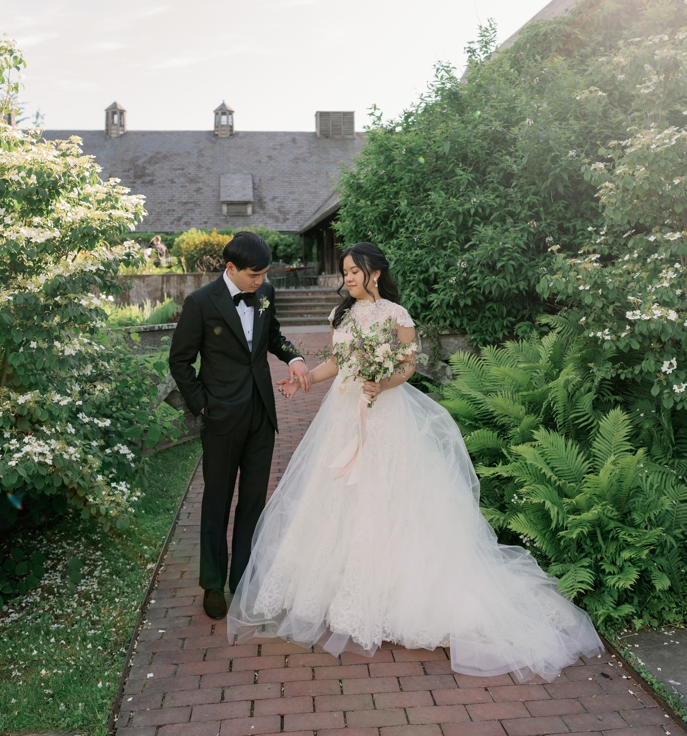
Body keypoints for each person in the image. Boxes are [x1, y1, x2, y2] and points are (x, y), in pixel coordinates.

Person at [228, 242, 602, 681]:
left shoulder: (396, 315)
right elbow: (338, 362)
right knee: (335, 500)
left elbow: (406, 368)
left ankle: (390, 597)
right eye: (344, 272)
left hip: (386, 418)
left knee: (387, 497)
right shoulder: (340, 316)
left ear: (376, 273)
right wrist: (305, 378)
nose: (347, 278)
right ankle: (329, 593)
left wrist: (381, 384)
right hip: (343, 417)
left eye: (354, 271)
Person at [168, 231, 311, 620]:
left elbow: (273, 337)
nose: (260, 281)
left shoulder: (265, 294)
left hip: (261, 414)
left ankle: (243, 577)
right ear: (230, 268)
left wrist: (294, 358)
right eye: (254, 275)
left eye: (265, 274)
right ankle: (212, 585)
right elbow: (179, 362)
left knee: (252, 501)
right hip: (221, 419)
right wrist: (204, 406)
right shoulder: (200, 303)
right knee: (217, 500)